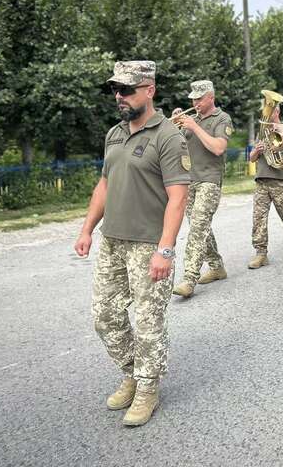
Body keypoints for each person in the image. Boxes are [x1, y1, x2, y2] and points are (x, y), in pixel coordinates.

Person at [74, 60, 190, 427]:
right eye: (115, 89)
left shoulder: (168, 136)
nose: (118, 96)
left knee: (148, 320)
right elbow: (104, 184)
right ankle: (132, 372)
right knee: (104, 316)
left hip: (148, 245)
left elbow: (178, 198)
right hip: (112, 240)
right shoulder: (115, 133)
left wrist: (165, 249)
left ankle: (147, 388)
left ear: (149, 90)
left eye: (126, 89)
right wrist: (87, 229)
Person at [171, 80, 234, 298]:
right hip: (189, 180)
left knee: (198, 227)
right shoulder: (192, 120)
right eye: (193, 99)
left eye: (199, 98)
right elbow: (176, 147)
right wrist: (176, 125)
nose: (195, 103)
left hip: (210, 180)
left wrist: (194, 127)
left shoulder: (222, 118)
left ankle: (189, 279)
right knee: (201, 226)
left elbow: (218, 148)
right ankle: (217, 267)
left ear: (211, 98)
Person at [247, 103, 283, 268]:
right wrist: (257, 150)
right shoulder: (262, 131)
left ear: (277, 111)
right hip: (261, 180)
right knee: (258, 219)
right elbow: (252, 158)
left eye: (270, 110)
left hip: (280, 180)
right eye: (265, 111)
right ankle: (261, 253)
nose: (266, 114)